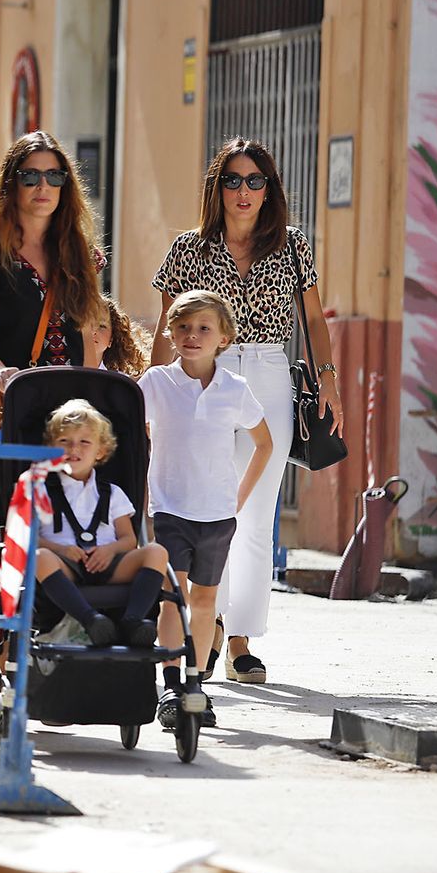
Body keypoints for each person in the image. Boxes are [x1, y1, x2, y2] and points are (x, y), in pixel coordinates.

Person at [150, 138, 344, 685]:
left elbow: (314, 319)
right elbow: (168, 327)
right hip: (202, 376)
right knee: (206, 508)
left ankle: (239, 641)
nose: (244, 191)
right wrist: (159, 393)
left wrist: (326, 381)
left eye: (255, 180)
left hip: (266, 372)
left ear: (270, 189)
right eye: (232, 180)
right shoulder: (188, 247)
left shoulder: (291, 244)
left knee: (255, 517)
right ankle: (203, 634)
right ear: (217, 188)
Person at [141, 290, 273, 729]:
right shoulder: (156, 383)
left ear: (224, 338)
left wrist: (238, 496)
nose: (192, 336)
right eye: (182, 328)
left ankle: (196, 684)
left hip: (216, 514)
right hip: (169, 510)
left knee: (205, 600)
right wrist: (142, 497)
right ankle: (172, 685)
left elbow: (264, 443)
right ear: (170, 333)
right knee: (171, 597)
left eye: (203, 328)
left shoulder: (234, 389)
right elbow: (133, 435)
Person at [0, 131, 105, 415]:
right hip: (1, 402)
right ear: (12, 183)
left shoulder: (78, 251)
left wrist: (90, 393)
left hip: (65, 409)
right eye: (31, 176)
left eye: (54, 177)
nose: (43, 186)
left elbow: (84, 332)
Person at [32, 400, 168, 648]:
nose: (75, 448)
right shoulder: (40, 489)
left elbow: (128, 539)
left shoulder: (112, 493)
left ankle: (133, 620)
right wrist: (61, 550)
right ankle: (91, 620)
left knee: (157, 552)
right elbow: (25, 537)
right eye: (65, 441)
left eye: (84, 442)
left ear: (100, 451)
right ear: (52, 447)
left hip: (108, 562)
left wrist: (110, 550)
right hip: (64, 565)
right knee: (39, 556)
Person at [84, 296, 149, 377]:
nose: (93, 331)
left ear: (111, 339)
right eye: (86, 324)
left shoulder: (119, 383)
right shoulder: (63, 375)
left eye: (102, 326)